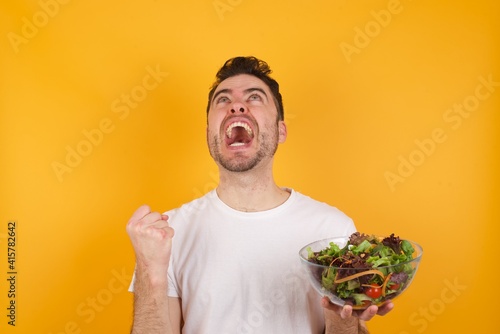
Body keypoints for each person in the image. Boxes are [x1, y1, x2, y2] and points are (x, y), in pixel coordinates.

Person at [126, 56, 393, 333]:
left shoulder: (332, 230)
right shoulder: (171, 232)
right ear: (209, 134)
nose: (236, 106)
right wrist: (150, 271)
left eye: (254, 98)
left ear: (280, 131)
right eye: (222, 100)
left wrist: (342, 317)